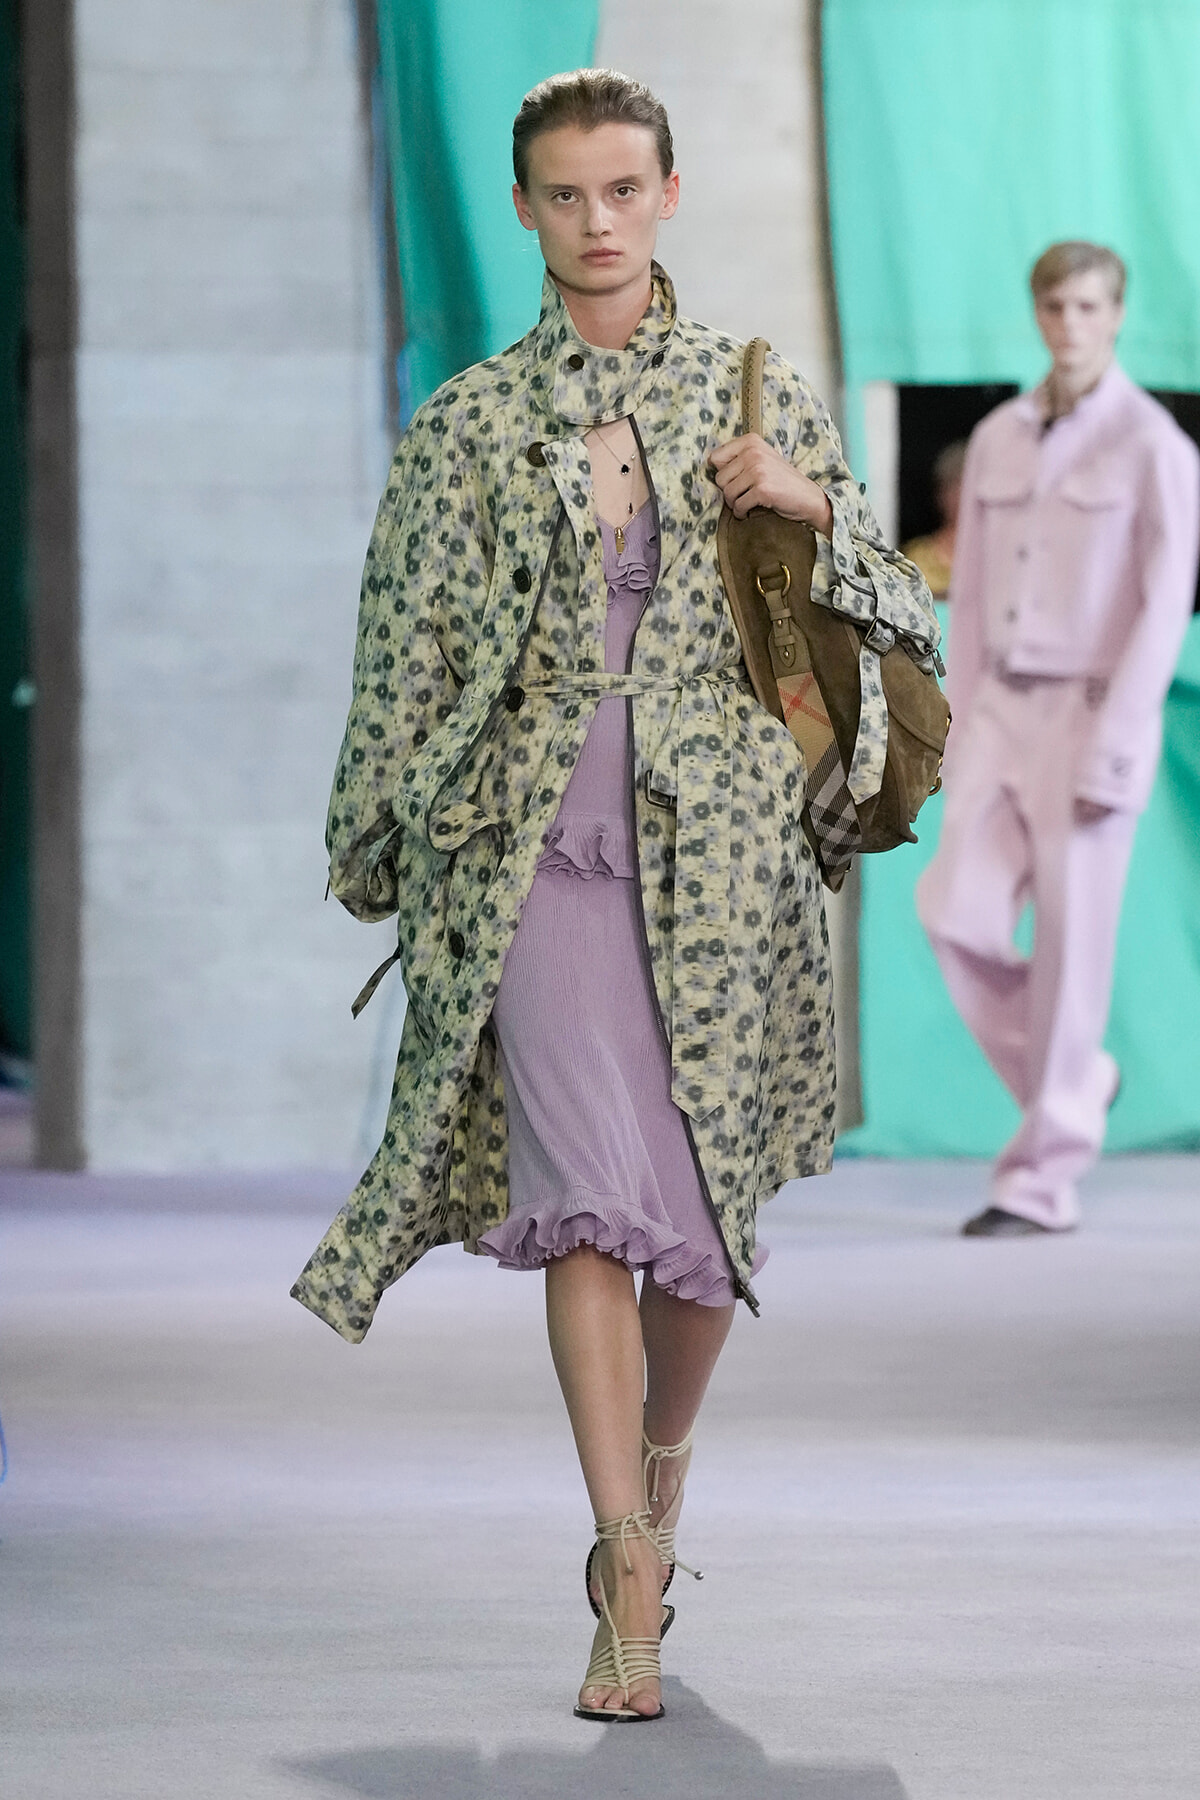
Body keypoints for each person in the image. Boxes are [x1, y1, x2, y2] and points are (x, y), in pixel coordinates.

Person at [293, 69, 935, 1720]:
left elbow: (897, 610)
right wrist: (375, 842)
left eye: (623, 190)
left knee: (705, 1240)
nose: (595, 222)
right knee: (586, 1198)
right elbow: (401, 660)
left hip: (721, 862)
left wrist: (810, 507)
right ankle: (626, 1572)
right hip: (536, 860)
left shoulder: (749, 392)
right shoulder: (466, 427)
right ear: (524, 206)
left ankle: (659, 1466)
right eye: (565, 194)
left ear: (665, 193)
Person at [917, 241, 1200, 1238]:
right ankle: (1083, 1073)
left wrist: (1119, 742)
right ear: (1036, 313)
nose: (1070, 323)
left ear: (1116, 314)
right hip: (1000, 709)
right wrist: (955, 731)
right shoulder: (997, 436)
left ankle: (1040, 1180)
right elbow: (977, 588)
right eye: (1054, 305)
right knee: (954, 911)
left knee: (1075, 949)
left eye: (1088, 306)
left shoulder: (1156, 446)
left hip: (1091, 710)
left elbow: (1165, 609)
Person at [902, 439, 966, 600]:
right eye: (951, 487)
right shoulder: (915, 558)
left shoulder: (998, 556)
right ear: (939, 494)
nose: (959, 497)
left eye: (965, 487)